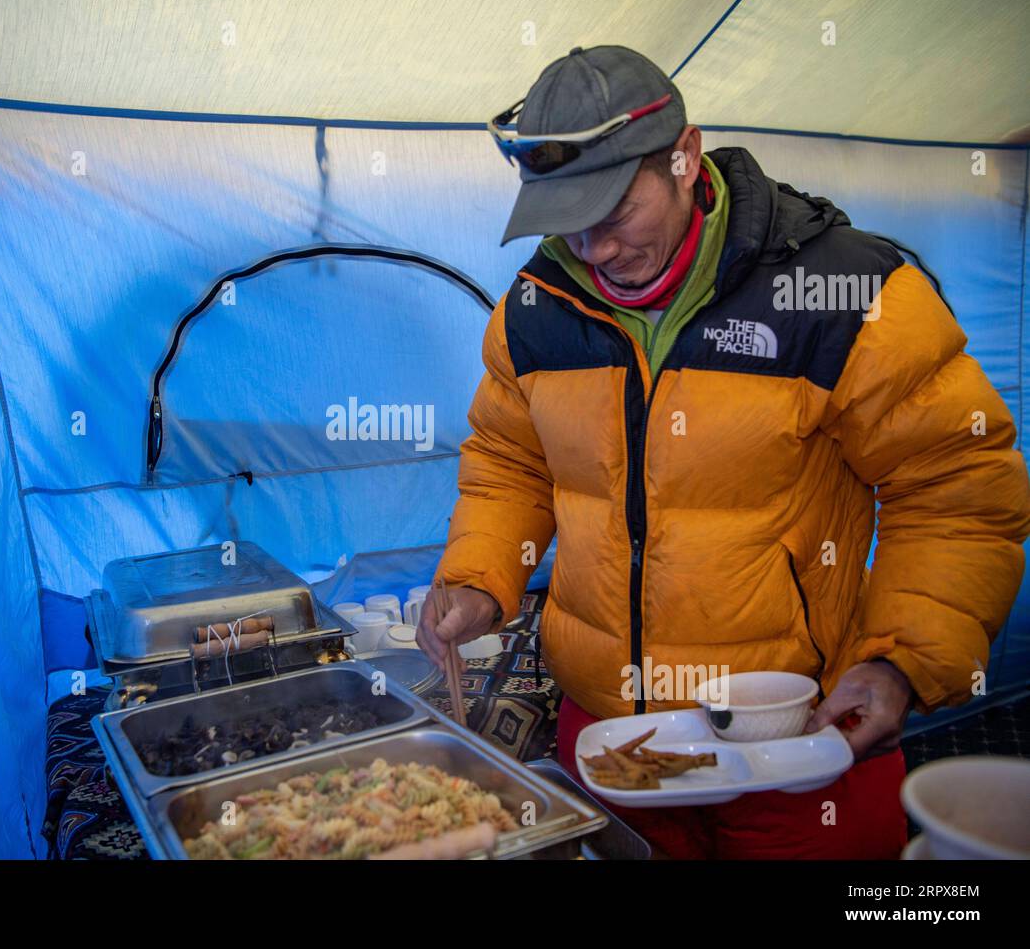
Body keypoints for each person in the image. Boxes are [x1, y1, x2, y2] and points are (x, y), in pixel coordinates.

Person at [417, 45, 1030, 859]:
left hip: (794, 740)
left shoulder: (843, 293)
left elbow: (957, 486)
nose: (594, 252)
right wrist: (479, 577)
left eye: (613, 212)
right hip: (608, 740)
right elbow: (510, 462)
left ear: (686, 156)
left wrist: (903, 663)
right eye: (567, 222)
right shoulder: (535, 309)